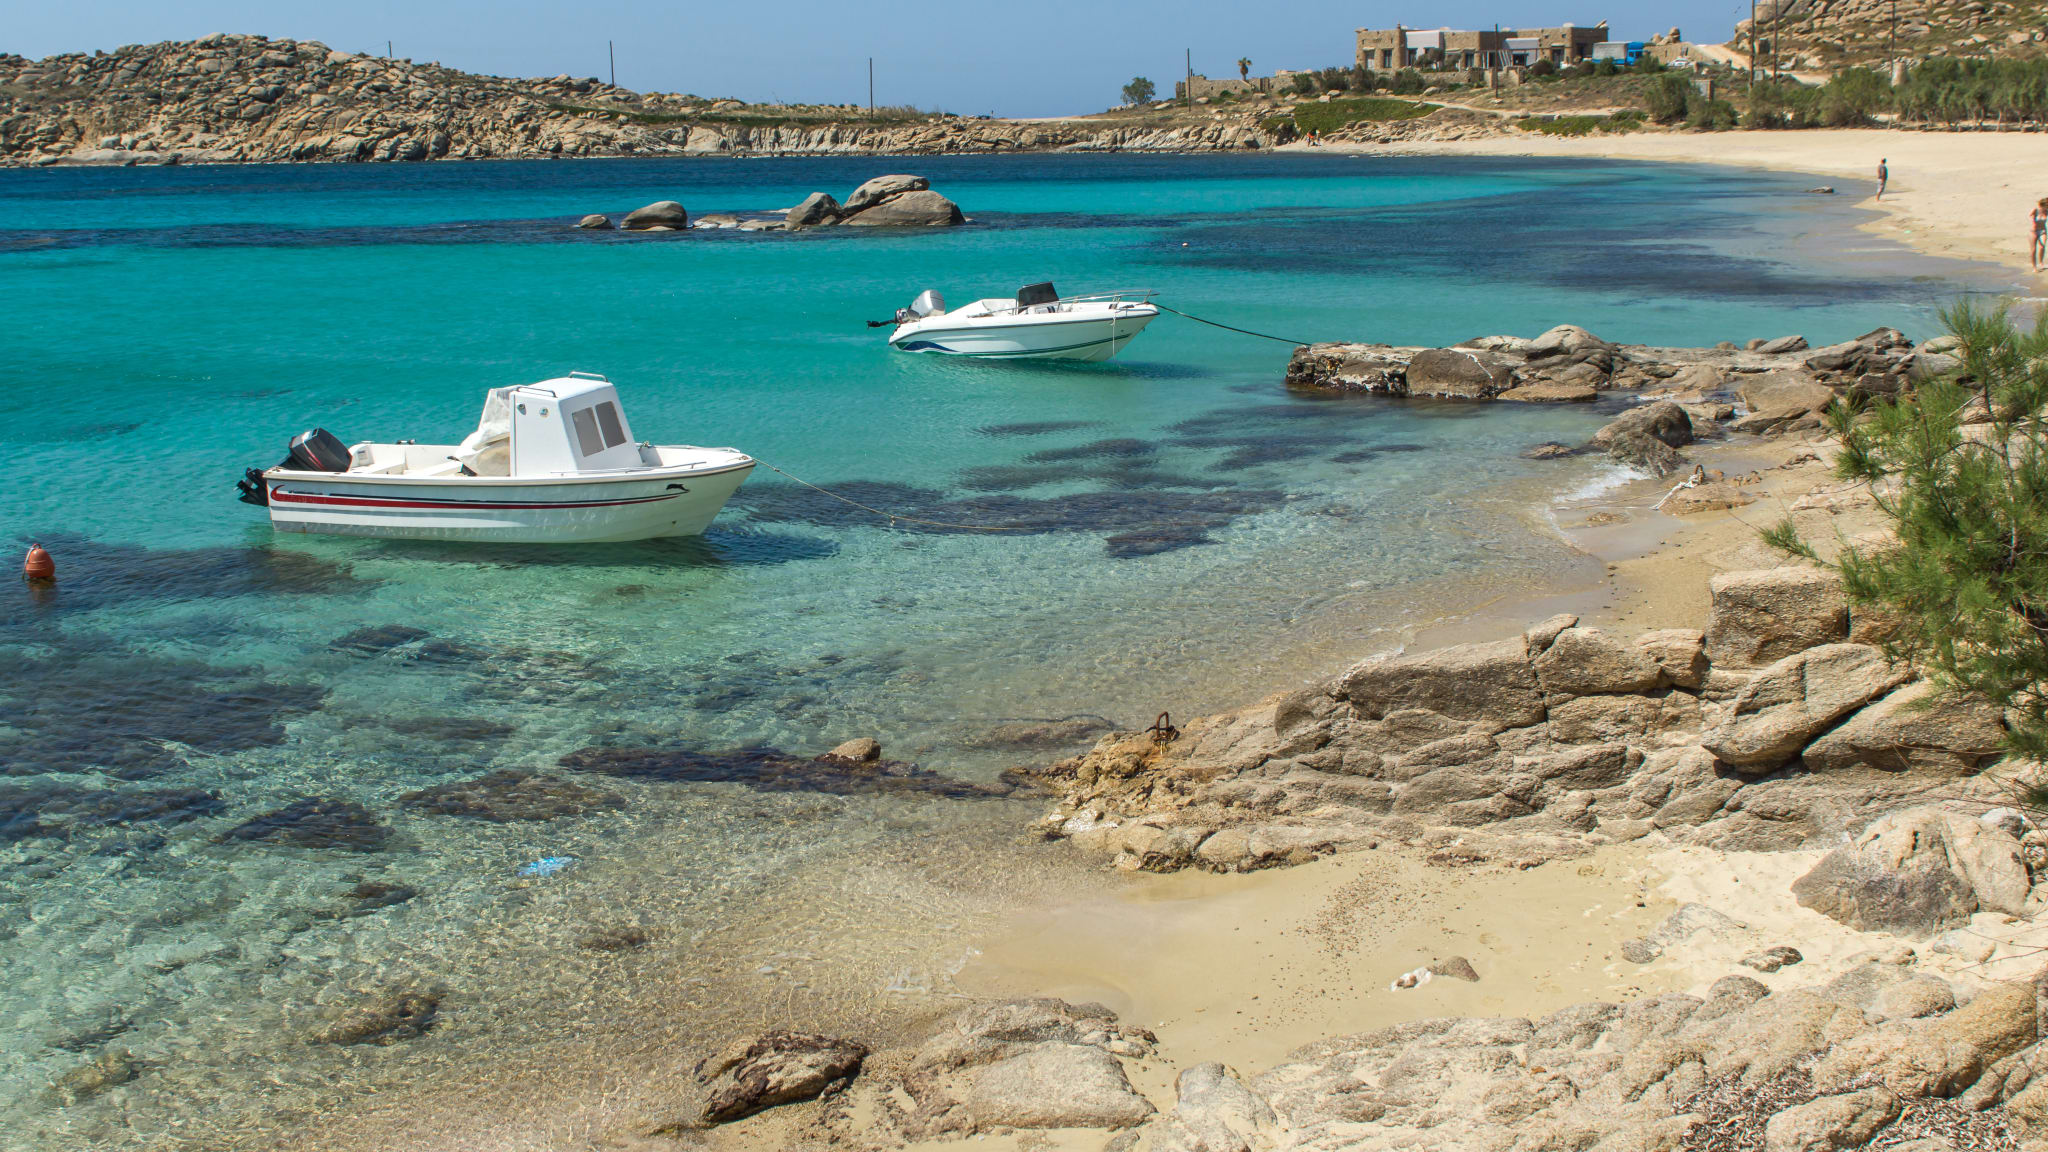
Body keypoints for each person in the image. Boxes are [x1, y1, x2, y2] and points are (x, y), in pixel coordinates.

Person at [2033, 198, 2048, 271]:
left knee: (2042, 246)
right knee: (2034, 249)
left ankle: (2041, 263)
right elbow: (2031, 220)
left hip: (2043, 230)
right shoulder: (2036, 210)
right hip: (2035, 231)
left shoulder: (2046, 211)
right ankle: (2034, 266)